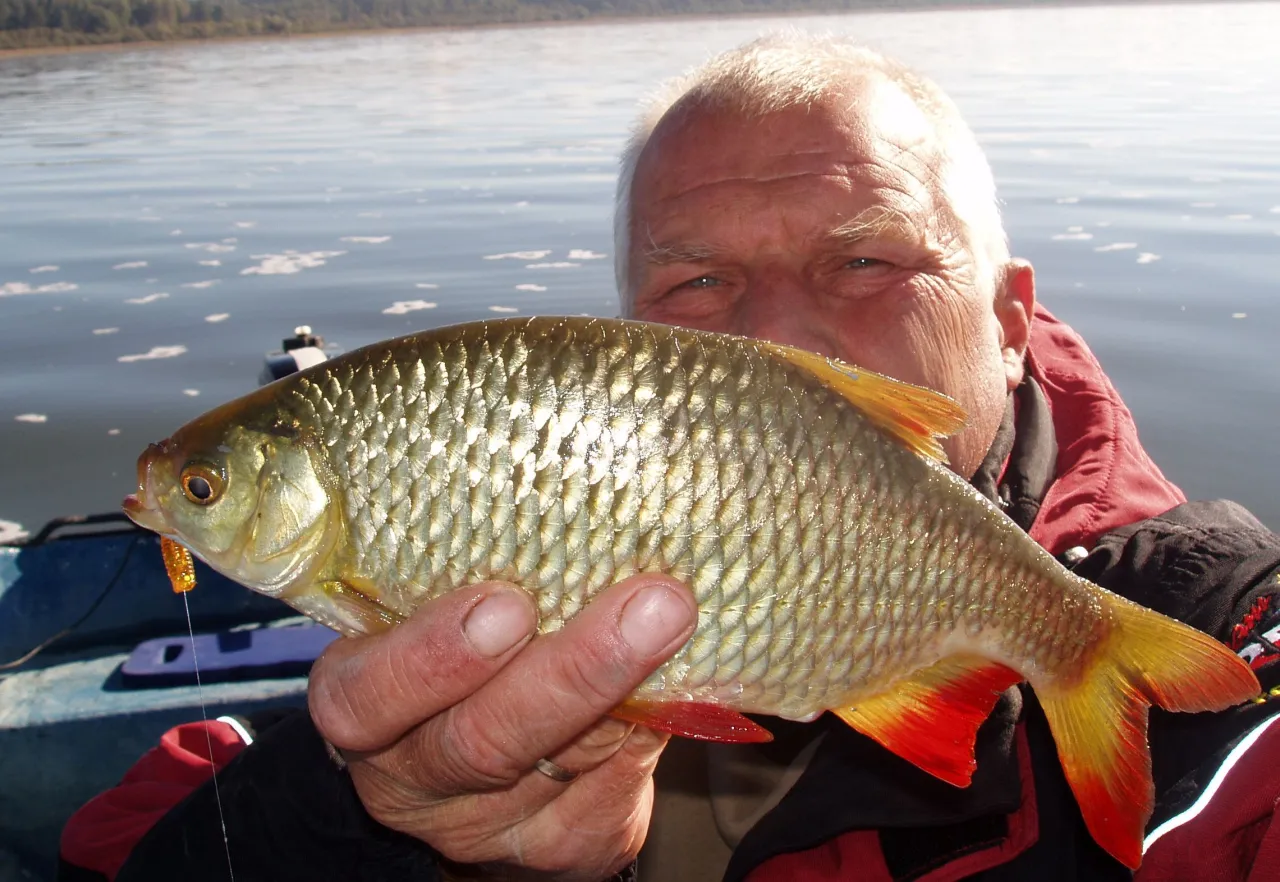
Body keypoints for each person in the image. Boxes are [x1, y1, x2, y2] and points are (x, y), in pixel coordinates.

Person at [59, 33, 1280, 882]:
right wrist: (381, 825)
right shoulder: (502, 555)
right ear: (629, 354)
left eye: (863, 261)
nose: (774, 336)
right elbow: (126, 848)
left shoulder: (1218, 613)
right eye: (696, 283)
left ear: (1010, 323)